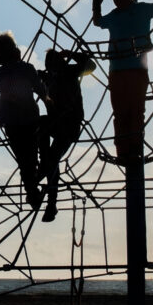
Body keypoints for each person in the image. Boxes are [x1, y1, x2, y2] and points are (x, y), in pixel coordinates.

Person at [92, 0, 153, 162]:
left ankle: (135, 148)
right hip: (117, 70)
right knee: (121, 112)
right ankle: (124, 151)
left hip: (135, 69)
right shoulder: (114, 15)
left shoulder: (142, 9)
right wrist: (96, 1)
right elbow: (97, 21)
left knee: (136, 110)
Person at [0, 32, 47, 210]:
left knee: (24, 158)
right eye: (15, 48)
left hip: (11, 121)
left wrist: (8, 83)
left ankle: (32, 191)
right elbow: (40, 89)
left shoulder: (3, 71)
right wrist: (49, 102)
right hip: (27, 119)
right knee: (30, 155)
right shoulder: (26, 68)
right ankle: (33, 190)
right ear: (13, 52)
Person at [39, 49, 96, 222]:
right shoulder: (50, 77)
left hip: (68, 126)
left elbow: (90, 65)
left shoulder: (70, 72)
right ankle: (43, 166)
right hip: (57, 123)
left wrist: (70, 54)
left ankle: (50, 202)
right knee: (48, 150)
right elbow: (34, 77)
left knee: (52, 159)